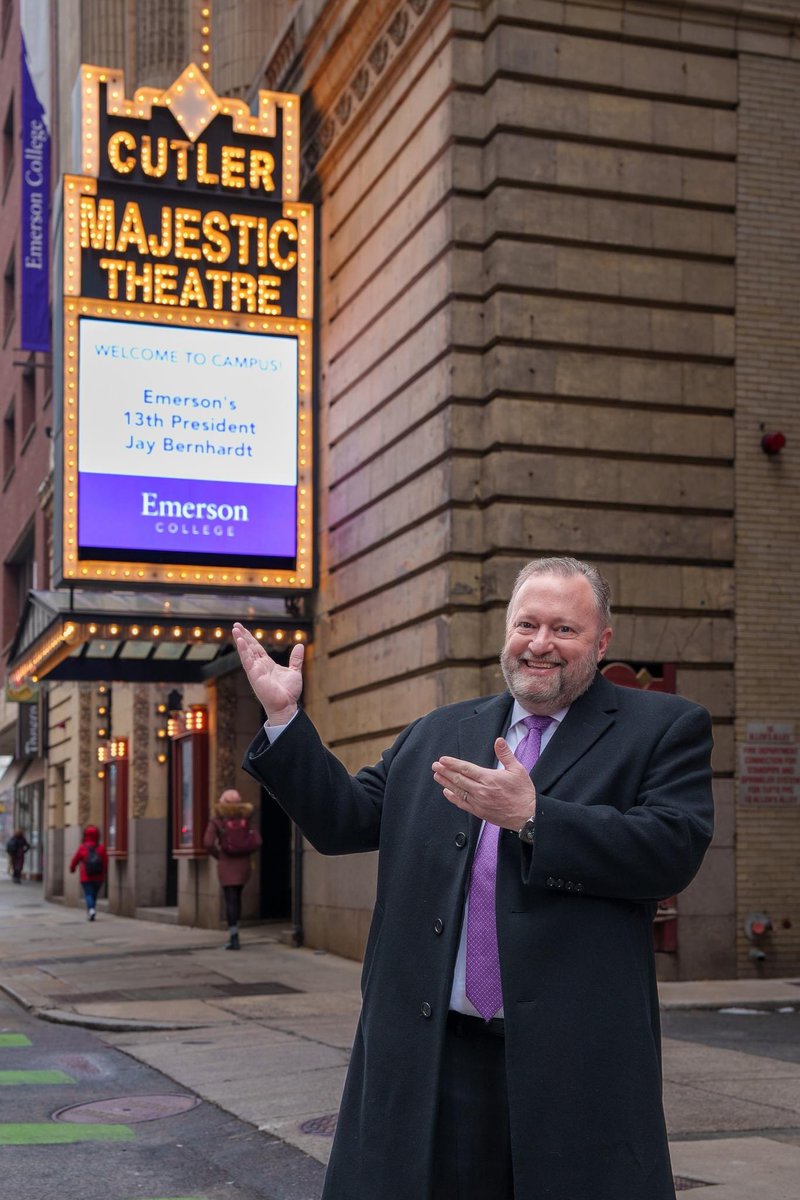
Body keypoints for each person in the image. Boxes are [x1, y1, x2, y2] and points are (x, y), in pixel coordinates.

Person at [233, 556, 714, 1200]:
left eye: (564, 630)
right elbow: (343, 821)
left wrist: (536, 816)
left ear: (601, 643)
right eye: (527, 624)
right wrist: (286, 723)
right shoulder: (442, 730)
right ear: (506, 632)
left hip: (573, 1067)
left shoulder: (663, 729)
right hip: (438, 1057)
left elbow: (671, 849)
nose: (540, 645)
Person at [202, 788, 262, 950]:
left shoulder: (218, 819)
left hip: (226, 864)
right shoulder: (246, 816)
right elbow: (257, 841)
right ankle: (235, 934)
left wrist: (219, 855)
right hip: (243, 864)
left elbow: (207, 843)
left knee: (230, 899)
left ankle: (233, 936)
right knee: (237, 898)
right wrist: (245, 850)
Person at [69, 825, 107, 920]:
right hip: (99, 877)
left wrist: (72, 868)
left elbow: (75, 860)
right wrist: (104, 873)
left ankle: (91, 909)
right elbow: (105, 862)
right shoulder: (101, 848)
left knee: (88, 894)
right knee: (94, 894)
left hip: (86, 876)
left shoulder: (83, 847)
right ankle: (92, 910)